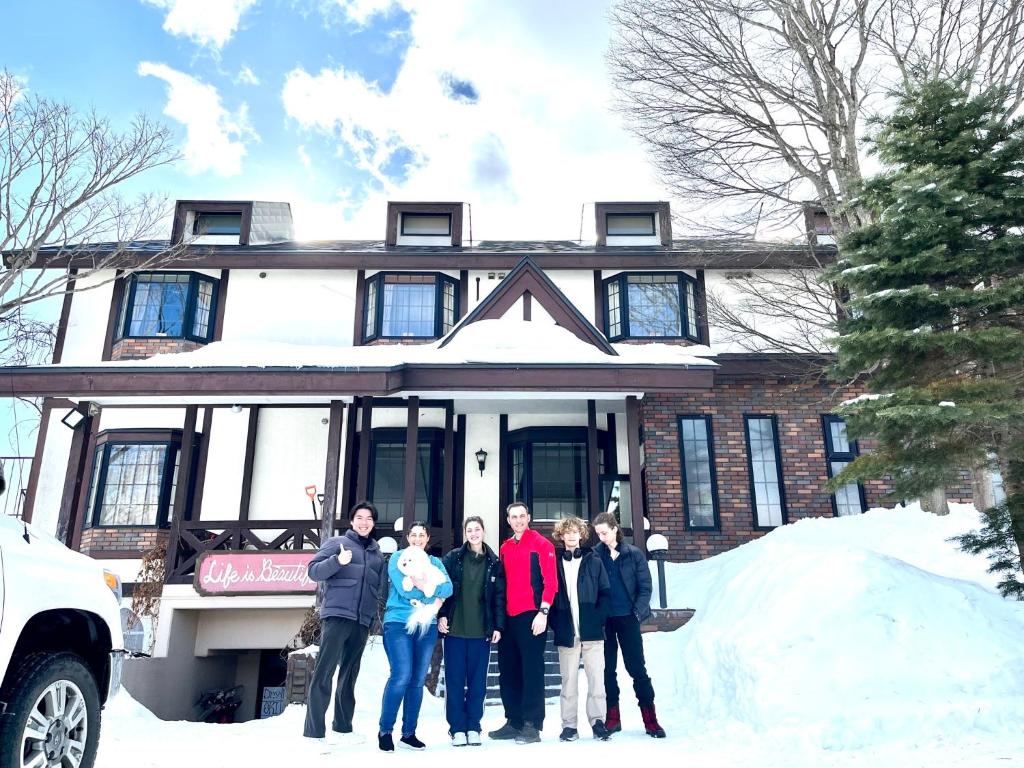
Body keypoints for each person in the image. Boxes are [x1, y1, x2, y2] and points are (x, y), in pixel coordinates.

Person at [303, 502, 387, 740]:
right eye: (359, 517)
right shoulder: (336, 544)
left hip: (361, 620)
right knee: (324, 671)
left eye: (369, 518)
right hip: (337, 615)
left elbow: (378, 588)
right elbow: (313, 570)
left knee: (350, 674)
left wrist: (373, 618)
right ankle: (314, 730)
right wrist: (337, 562)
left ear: (373, 523)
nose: (364, 522)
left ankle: (343, 726)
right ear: (352, 521)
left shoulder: (376, 553)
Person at [378, 521, 453, 752]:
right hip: (399, 622)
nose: (418, 539)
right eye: (414, 535)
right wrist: (432, 593)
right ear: (407, 537)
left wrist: (433, 592)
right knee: (401, 674)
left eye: (422, 535)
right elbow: (405, 589)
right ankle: (385, 730)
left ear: (428, 538)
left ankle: (409, 733)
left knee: (418, 680)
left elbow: (448, 588)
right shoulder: (397, 558)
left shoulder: (435, 562)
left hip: (426, 625)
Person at [487, 502, 557, 745]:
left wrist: (544, 612)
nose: (517, 520)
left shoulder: (542, 544)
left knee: (532, 670)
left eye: (521, 516)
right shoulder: (505, 548)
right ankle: (513, 720)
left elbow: (551, 582)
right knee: (508, 671)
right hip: (508, 618)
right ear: (508, 520)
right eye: (513, 517)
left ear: (529, 517)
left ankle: (531, 724)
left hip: (532, 616)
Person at [591, 512, 666, 738]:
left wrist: (636, 613)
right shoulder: (595, 556)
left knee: (637, 669)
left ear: (615, 529)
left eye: (604, 532)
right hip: (605, 622)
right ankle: (613, 718)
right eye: (598, 534)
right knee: (607, 671)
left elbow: (645, 588)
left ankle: (650, 719)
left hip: (628, 618)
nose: (601, 537)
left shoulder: (634, 555)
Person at [438, 516, 506, 747]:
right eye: (470, 530)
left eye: (477, 529)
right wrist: (442, 615)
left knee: (478, 683)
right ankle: (457, 728)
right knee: (455, 681)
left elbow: (498, 597)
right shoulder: (454, 558)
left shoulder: (493, 562)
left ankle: (474, 726)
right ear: (465, 533)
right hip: (455, 629)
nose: (474, 533)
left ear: (484, 532)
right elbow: (442, 589)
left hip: (481, 631)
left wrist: (498, 625)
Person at [550, 516, 612, 742]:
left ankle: (598, 722)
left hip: (592, 631)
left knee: (597, 679)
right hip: (567, 631)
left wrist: (598, 618)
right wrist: (555, 623)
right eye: (567, 532)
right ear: (561, 536)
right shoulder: (555, 562)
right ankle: (569, 726)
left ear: (581, 534)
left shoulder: (594, 560)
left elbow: (605, 592)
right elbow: (548, 593)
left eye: (575, 531)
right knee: (568, 682)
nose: (572, 535)